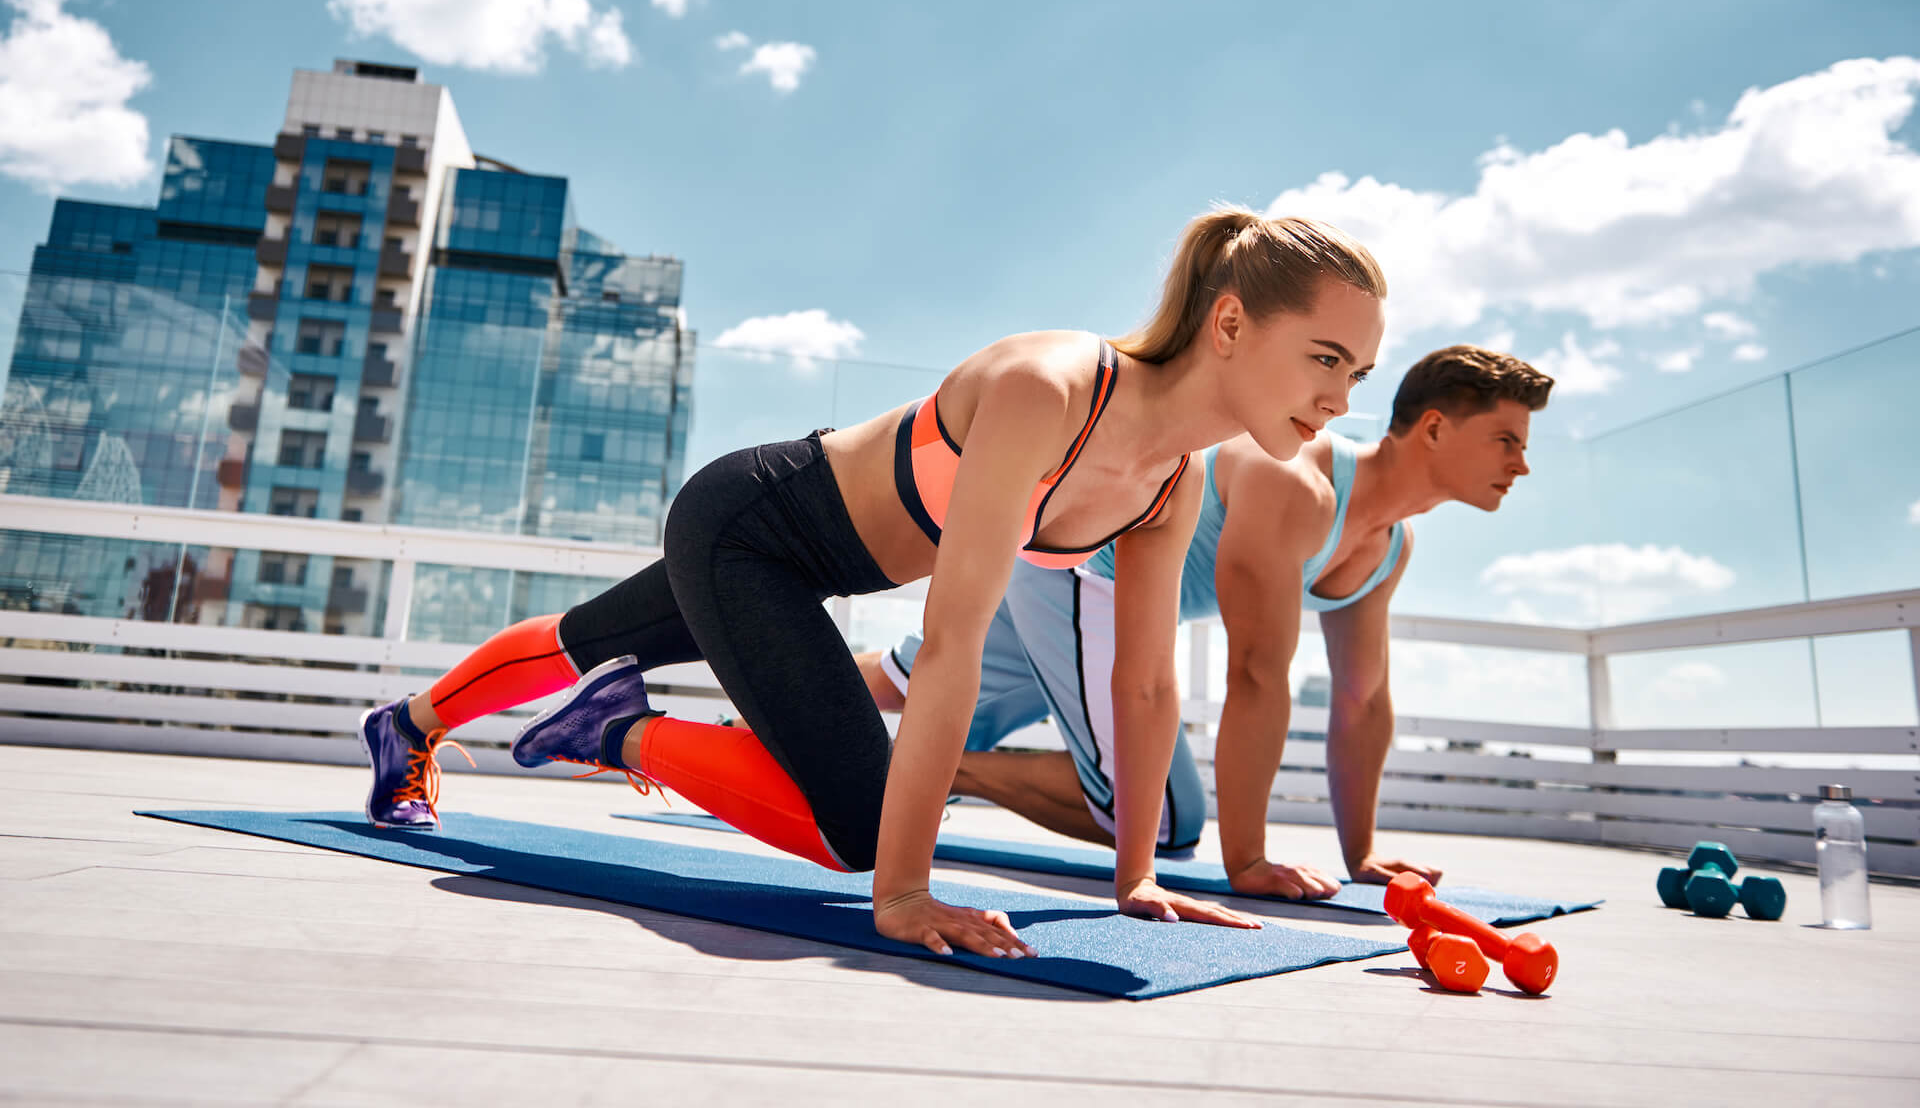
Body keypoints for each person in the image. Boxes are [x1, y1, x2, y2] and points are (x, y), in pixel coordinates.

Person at [357, 208, 1387, 958]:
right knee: (860, 832)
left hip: (812, 567)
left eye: (1359, 375)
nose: (1339, 399)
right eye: (1326, 358)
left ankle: (407, 724)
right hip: (752, 524)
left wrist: (1137, 876)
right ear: (1234, 323)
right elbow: (951, 643)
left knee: (588, 637)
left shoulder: (1173, 478)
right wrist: (906, 892)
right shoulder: (1054, 388)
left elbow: (1148, 688)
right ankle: (610, 731)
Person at [864, 346, 1553, 900]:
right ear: (1434, 428)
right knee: (1164, 820)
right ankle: (940, 769)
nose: (1521, 464)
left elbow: (1361, 699)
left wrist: (1361, 853)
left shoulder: (1388, 546)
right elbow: (1255, 671)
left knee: (899, 685)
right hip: (1082, 570)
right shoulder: (1296, 483)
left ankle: (761, 712)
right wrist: (1247, 861)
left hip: (1056, 577)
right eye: (1505, 440)